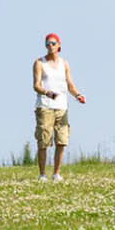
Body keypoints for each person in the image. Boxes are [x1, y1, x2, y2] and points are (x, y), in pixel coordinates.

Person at [32, 32, 84, 181]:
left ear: (59, 45)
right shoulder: (39, 63)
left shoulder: (64, 64)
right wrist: (47, 93)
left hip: (62, 107)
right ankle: (42, 174)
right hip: (45, 106)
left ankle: (56, 173)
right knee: (44, 141)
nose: (50, 46)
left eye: (53, 43)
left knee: (62, 140)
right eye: (47, 43)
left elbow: (70, 85)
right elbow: (36, 86)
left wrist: (78, 95)